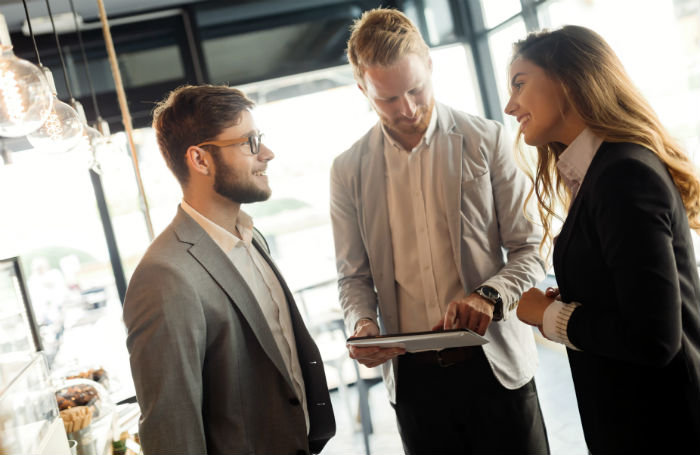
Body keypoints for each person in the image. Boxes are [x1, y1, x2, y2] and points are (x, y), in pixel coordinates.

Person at [330, 8, 550, 454]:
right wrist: (363, 324)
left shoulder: (487, 140)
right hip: (415, 384)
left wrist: (488, 296)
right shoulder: (348, 170)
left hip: (496, 367)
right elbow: (353, 277)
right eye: (387, 99)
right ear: (362, 89)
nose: (407, 109)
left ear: (430, 65)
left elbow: (531, 248)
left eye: (415, 90)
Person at [506, 25, 700, 453]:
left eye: (520, 84)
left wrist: (548, 316)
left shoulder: (621, 175)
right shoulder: (601, 173)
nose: (509, 105)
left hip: (664, 427)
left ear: (568, 79)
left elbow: (654, 339)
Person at [123, 85, 335, 454]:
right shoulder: (164, 277)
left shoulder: (252, 237)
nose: (267, 154)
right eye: (249, 142)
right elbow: (172, 431)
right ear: (200, 159)